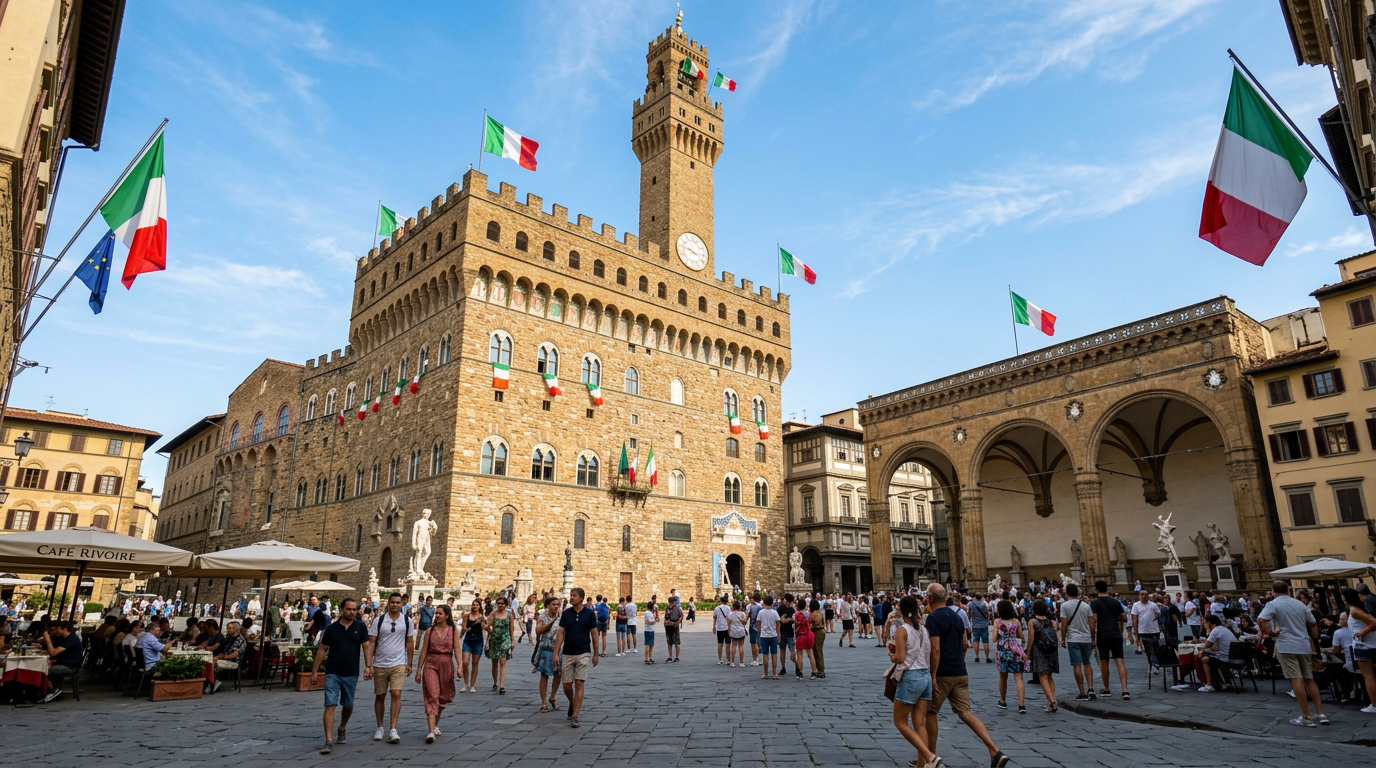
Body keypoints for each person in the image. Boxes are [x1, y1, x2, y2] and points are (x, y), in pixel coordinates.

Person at [924, 585, 1009, 768]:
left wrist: (933, 675)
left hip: (943, 673)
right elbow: (965, 644)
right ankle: (995, 751)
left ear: (930, 598)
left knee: (930, 712)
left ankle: (930, 758)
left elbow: (935, 649)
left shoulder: (933, 618)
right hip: (960, 672)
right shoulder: (957, 616)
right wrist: (959, 662)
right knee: (965, 713)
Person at [1258, 579, 1328, 727]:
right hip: (1303, 644)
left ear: (1274, 591)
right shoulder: (1300, 604)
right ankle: (1321, 714)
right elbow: (1313, 623)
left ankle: (1306, 716)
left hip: (1287, 645)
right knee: (1309, 679)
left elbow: (1261, 620)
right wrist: (1315, 638)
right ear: (1288, 590)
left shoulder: (1273, 604)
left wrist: (1271, 633)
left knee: (1296, 679)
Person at [312, 597, 371, 755]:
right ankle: (328, 740)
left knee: (348, 704)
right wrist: (315, 671)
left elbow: (366, 646)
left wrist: (368, 666)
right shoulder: (331, 629)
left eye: (354, 609)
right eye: (349, 609)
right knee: (330, 704)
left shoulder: (360, 626)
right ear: (341, 610)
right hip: (333, 671)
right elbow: (322, 649)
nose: (352, 612)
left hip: (351, 672)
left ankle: (342, 726)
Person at [890, 595, 941, 768]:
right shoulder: (923, 630)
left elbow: (900, 658)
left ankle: (929, 756)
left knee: (900, 722)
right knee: (920, 723)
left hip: (911, 677)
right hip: (925, 677)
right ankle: (922, 765)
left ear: (901, 610)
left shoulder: (902, 630)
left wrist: (892, 656)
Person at [368, 593, 415, 744]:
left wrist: (410, 663)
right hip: (380, 663)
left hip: (398, 662)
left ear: (402, 604)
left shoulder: (407, 621)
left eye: (398, 602)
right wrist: (369, 665)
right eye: (393, 602)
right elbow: (372, 642)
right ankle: (380, 726)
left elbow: (410, 642)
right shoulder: (379, 620)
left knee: (396, 693)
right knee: (380, 695)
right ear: (388, 604)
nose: (395, 605)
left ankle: (393, 729)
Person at [553, 587, 599, 728]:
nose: (571, 597)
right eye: (571, 595)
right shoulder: (566, 614)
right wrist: (556, 653)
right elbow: (561, 633)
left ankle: (575, 716)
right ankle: (572, 702)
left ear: (581, 598)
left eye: (574, 595)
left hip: (583, 652)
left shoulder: (589, 614)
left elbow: (594, 634)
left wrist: (596, 654)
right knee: (567, 685)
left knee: (579, 683)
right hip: (568, 652)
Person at [415, 604, 457, 743]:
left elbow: (457, 648)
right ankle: (431, 731)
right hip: (431, 664)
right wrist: (419, 670)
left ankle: (435, 724)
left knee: (442, 697)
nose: (437, 615)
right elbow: (424, 651)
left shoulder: (453, 630)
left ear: (447, 616)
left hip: (446, 664)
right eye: (436, 613)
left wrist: (460, 667)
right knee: (432, 696)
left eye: (440, 613)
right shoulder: (430, 631)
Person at [1089, 580, 1130, 700]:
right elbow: (1124, 617)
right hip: (1115, 634)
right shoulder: (1115, 601)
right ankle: (1125, 690)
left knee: (1104, 662)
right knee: (1119, 661)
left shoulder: (1094, 602)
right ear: (1107, 589)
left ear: (1096, 589)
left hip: (1103, 634)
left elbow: (1094, 620)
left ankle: (1106, 688)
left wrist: (1092, 639)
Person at [1340, 588, 1376, 713]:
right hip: (1371, 644)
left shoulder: (1354, 610)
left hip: (1363, 645)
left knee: (1368, 676)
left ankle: (1374, 704)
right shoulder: (1359, 608)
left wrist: (1362, 632)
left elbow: (1374, 622)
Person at [1058, 583, 1096, 702]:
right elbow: (1092, 623)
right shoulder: (1086, 606)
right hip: (1086, 638)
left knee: (1076, 665)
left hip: (1073, 639)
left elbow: (1064, 623)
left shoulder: (1064, 606)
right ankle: (1091, 688)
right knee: (1087, 663)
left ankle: (1082, 692)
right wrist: (1093, 639)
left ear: (1067, 593)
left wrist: (1063, 638)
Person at [993, 600, 1027, 714]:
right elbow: (1021, 636)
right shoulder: (1016, 621)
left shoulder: (997, 621)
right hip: (1015, 649)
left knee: (1003, 677)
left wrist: (1001, 635)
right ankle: (1021, 705)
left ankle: (1003, 700)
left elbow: (994, 638)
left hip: (1003, 650)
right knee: (1019, 677)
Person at [1028, 599, 1059, 712]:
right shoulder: (1053, 622)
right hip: (1052, 650)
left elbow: (1031, 638)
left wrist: (1028, 652)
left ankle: (1051, 702)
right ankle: (1052, 700)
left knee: (1042, 676)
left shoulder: (1033, 622)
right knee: (1049, 676)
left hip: (1039, 650)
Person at [535, 597, 562, 712]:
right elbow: (538, 631)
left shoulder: (562, 617)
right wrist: (551, 623)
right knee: (544, 675)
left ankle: (552, 697)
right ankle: (544, 702)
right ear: (547, 606)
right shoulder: (543, 617)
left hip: (558, 649)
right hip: (545, 649)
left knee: (558, 674)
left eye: (557, 604)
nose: (556, 606)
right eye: (553, 604)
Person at [484, 596, 515, 694]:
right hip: (494, 639)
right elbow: (489, 628)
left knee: (503, 662)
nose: (500, 605)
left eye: (502, 603)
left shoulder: (509, 615)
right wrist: (487, 641)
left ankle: (502, 685)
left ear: (505, 604)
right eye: (498, 603)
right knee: (494, 662)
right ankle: (495, 682)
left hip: (505, 639)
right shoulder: (493, 613)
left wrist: (512, 641)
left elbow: (511, 629)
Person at [1196, 614, 1234, 693]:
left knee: (1204, 659)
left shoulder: (1215, 630)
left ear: (1209, 623)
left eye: (1205, 623)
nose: (1204, 625)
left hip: (1223, 658)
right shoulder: (1224, 629)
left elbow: (1207, 644)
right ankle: (1218, 681)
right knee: (1208, 656)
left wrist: (1208, 631)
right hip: (1230, 656)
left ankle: (1209, 684)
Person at [211, 621, 246, 694]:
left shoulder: (240, 639)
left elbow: (235, 654)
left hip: (233, 661)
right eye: (228, 628)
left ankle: (212, 685)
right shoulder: (229, 637)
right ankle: (210, 683)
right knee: (209, 661)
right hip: (225, 657)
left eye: (230, 628)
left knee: (213, 663)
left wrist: (223, 657)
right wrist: (219, 656)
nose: (228, 630)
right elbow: (225, 650)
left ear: (236, 629)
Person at [460, 599, 484, 694]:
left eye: (476, 605)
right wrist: (465, 629)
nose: (475, 606)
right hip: (468, 640)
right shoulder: (467, 615)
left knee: (475, 663)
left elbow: (483, 628)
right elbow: (463, 627)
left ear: (479, 606)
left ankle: (472, 685)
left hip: (478, 641)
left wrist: (482, 622)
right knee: (465, 662)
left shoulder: (481, 617)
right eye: (473, 605)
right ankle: (465, 684)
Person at [1130, 590, 1161, 660]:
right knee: (1148, 650)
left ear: (1148, 596)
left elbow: (1158, 614)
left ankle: (1157, 662)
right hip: (1143, 630)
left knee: (1156, 648)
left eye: (1145, 594)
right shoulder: (1136, 605)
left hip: (1154, 630)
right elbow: (1134, 618)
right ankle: (1151, 662)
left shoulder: (1153, 605)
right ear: (1139, 596)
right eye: (1142, 594)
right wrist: (1136, 631)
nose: (1144, 596)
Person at [756, 595, 781, 679]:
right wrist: (778, 634)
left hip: (764, 635)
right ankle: (774, 673)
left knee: (765, 654)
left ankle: (766, 673)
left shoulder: (761, 612)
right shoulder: (775, 612)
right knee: (774, 654)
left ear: (764, 603)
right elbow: (778, 623)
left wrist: (760, 631)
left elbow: (758, 622)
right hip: (773, 635)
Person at [794, 597, 815, 679]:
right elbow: (811, 623)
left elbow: (796, 624)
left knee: (799, 654)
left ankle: (800, 672)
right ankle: (814, 672)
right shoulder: (810, 614)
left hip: (801, 635)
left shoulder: (797, 615)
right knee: (810, 654)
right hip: (809, 634)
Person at [969, 594, 991, 663]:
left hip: (975, 624)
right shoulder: (984, 604)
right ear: (981, 597)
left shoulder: (971, 604)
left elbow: (969, 613)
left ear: (975, 597)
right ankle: (987, 657)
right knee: (985, 641)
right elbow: (987, 613)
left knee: (976, 640)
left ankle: (976, 656)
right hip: (984, 624)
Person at [809, 599, 828, 678]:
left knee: (817, 651)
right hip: (821, 631)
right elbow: (823, 622)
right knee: (817, 651)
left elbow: (815, 622)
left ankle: (821, 670)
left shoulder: (814, 614)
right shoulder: (820, 612)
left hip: (817, 631)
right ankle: (820, 669)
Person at [728, 600, 748, 667]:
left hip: (733, 630)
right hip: (741, 631)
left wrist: (729, 630)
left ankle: (732, 662)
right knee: (741, 646)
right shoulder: (742, 614)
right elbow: (745, 623)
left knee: (733, 646)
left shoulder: (730, 614)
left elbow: (729, 623)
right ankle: (741, 662)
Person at [713, 595, 732, 665]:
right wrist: (730, 627)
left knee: (720, 643)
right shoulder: (728, 608)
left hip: (719, 628)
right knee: (728, 644)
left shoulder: (717, 608)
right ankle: (728, 659)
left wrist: (714, 627)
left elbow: (714, 618)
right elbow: (729, 618)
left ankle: (720, 659)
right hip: (726, 627)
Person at [663, 597, 683, 663]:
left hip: (674, 626)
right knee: (669, 642)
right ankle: (670, 657)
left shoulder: (677, 608)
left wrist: (678, 622)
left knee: (676, 642)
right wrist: (665, 622)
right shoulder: (667, 608)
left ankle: (677, 657)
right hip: (668, 626)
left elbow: (681, 616)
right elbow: (665, 616)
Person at [747, 593, 763, 665]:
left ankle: (755, 659)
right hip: (761, 627)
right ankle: (761, 658)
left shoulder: (751, 606)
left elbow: (749, 615)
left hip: (753, 626)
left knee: (753, 643)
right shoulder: (761, 607)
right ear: (760, 599)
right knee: (760, 643)